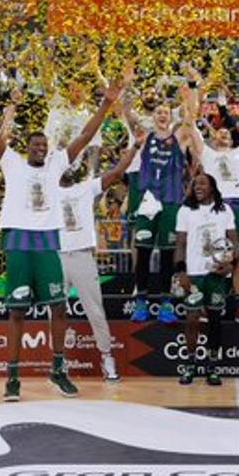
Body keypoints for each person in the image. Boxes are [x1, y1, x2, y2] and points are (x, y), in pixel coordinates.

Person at [0, 71, 124, 401]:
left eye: (44, 145)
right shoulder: (11, 163)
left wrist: (106, 105)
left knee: (59, 308)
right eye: (35, 145)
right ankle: (12, 378)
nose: (40, 148)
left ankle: (58, 369)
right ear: (27, 147)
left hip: (49, 241)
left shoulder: (56, 165)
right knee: (17, 312)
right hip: (19, 241)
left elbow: (84, 135)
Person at [57, 136, 141, 383]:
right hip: (57, 257)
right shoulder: (48, 190)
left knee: (96, 310)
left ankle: (107, 357)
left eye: (72, 166)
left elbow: (116, 173)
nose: (69, 169)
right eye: (65, 165)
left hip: (83, 255)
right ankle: (58, 363)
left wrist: (135, 148)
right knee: (56, 312)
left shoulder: (86, 188)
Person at [127, 92, 194, 324]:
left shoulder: (180, 138)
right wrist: (126, 89)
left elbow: (191, 116)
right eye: (159, 112)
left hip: (170, 202)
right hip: (148, 202)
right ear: (153, 116)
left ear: (171, 116)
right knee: (143, 252)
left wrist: (192, 88)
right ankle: (141, 302)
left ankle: (167, 304)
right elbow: (128, 115)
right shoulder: (144, 137)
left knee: (168, 254)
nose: (163, 115)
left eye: (166, 112)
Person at [173, 171, 239, 386]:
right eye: (194, 184)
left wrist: (230, 264)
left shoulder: (224, 210)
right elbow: (180, 244)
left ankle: (213, 366)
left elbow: (234, 242)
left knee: (215, 320)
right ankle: (190, 365)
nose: (197, 187)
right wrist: (181, 271)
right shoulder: (185, 210)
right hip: (194, 275)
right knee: (192, 319)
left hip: (215, 274)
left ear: (212, 186)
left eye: (202, 184)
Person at [184, 113, 239, 321]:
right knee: (209, 253)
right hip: (215, 207)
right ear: (213, 139)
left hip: (238, 205)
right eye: (219, 133)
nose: (223, 134)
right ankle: (207, 303)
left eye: (227, 133)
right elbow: (192, 129)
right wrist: (191, 97)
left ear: (233, 139)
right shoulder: (208, 154)